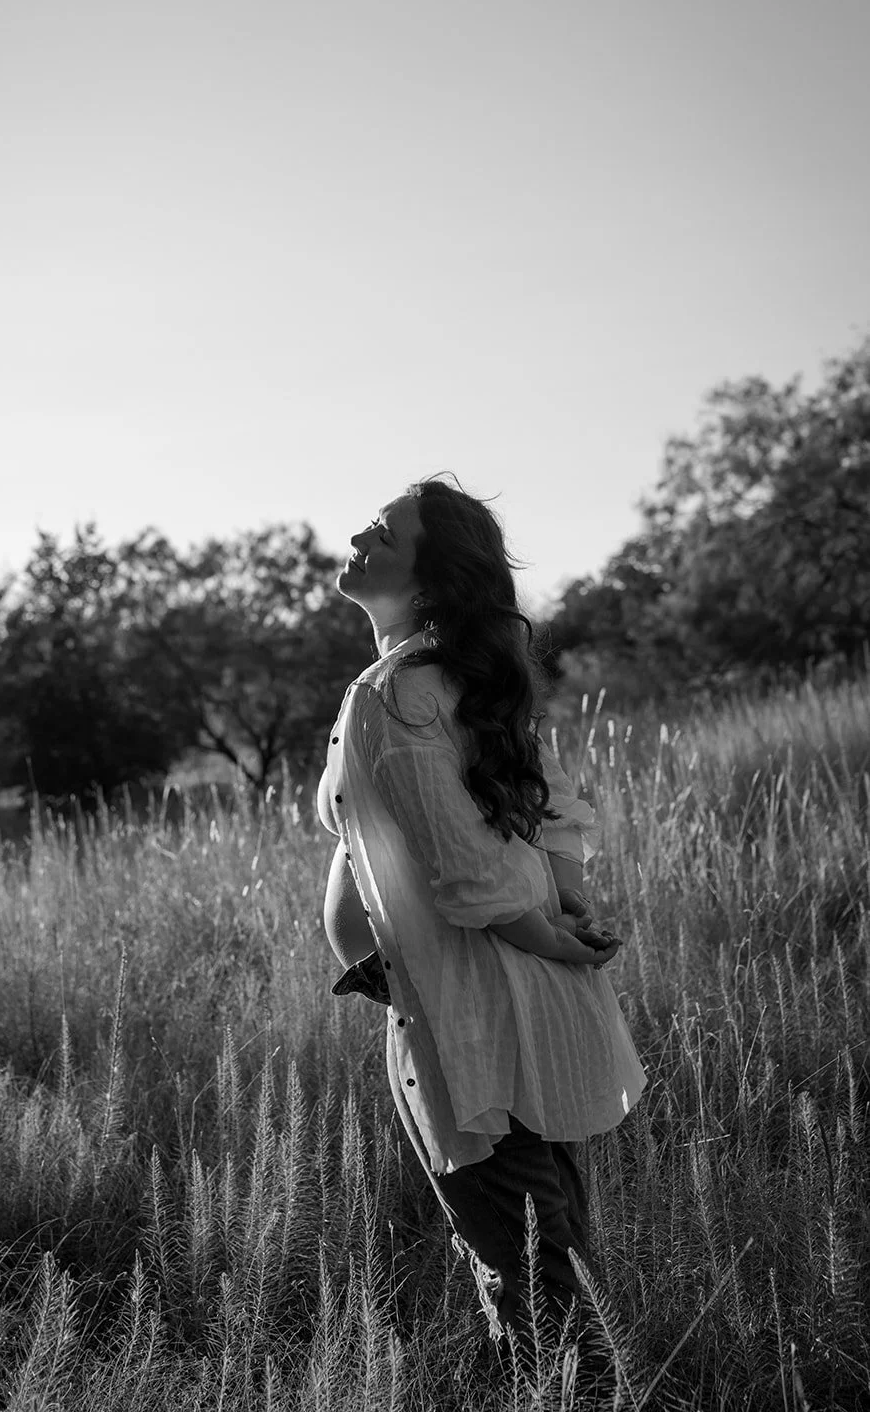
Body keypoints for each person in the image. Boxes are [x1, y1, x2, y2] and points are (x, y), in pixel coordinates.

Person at [315, 476, 646, 1364]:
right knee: (535, 1253)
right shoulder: (442, 683)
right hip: (474, 995)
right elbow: (552, 815)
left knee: (535, 1275)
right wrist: (566, 906)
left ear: (428, 577)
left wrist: (548, 928)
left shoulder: (394, 691)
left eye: (382, 531)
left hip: (474, 1008)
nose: (357, 534)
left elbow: (463, 863)